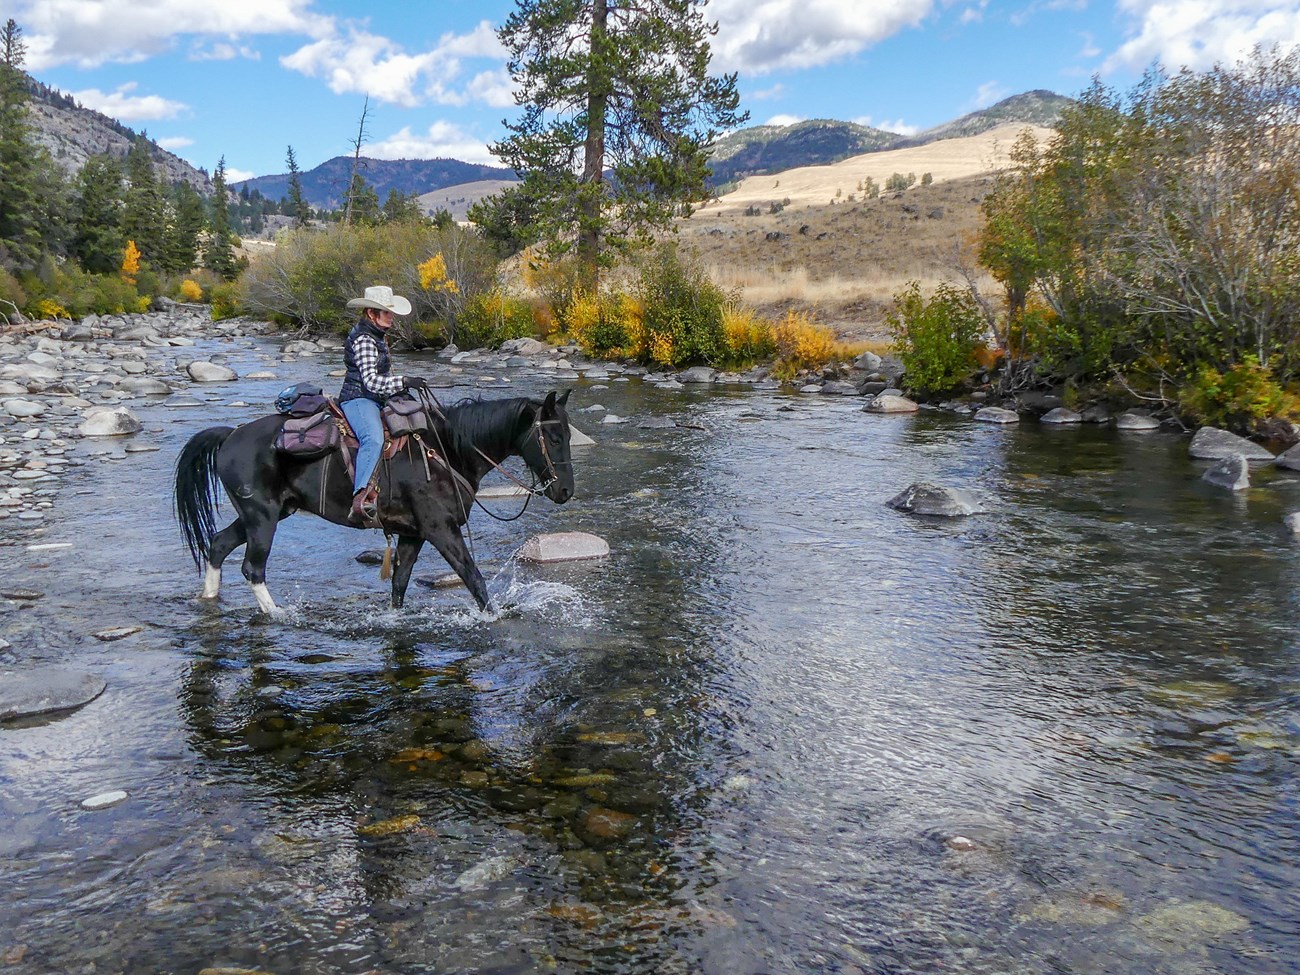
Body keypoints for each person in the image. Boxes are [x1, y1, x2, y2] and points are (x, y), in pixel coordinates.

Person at [338, 285, 429, 524]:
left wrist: (401, 387)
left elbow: (383, 378)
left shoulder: (378, 336)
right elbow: (370, 381)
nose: (391, 316)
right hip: (358, 398)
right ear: (371, 313)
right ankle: (361, 499)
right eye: (386, 311)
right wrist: (404, 381)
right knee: (374, 438)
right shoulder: (365, 339)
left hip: (375, 397)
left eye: (390, 311)